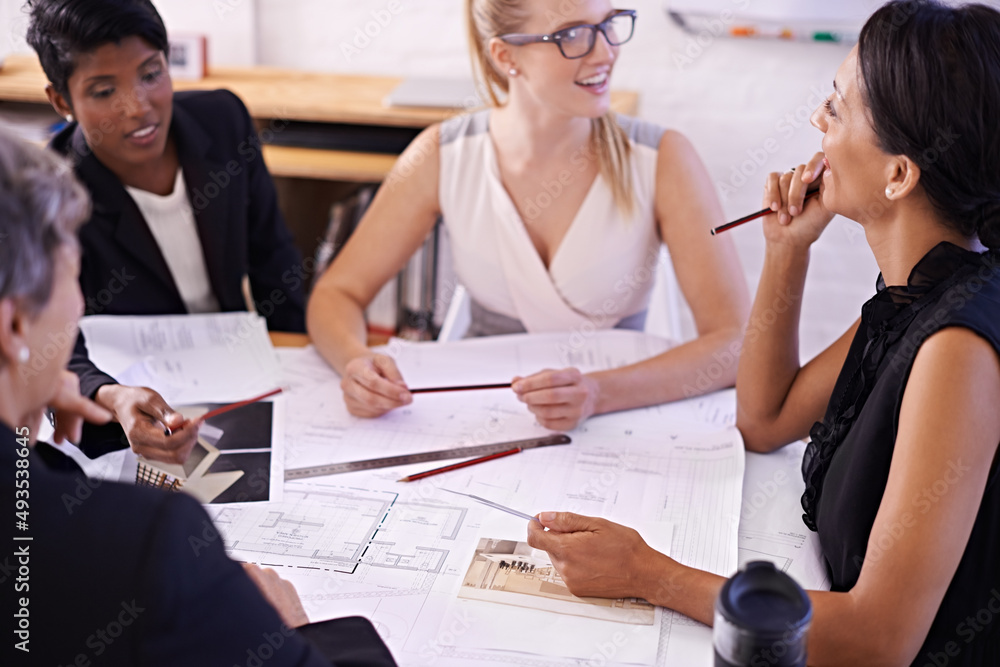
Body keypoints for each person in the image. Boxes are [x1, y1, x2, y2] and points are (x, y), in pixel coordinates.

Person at [526, 2, 1000, 664]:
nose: (817, 122)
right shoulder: (913, 297)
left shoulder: (957, 349)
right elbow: (765, 417)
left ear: (898, 174)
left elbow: (879, 638)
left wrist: (646, 573)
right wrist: (787, 250)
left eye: (836, 107)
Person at [0, 130, 396, 666]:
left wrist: (24, 412)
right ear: (17, 323)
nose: (79, 309)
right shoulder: (152, 547)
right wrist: (298, 635)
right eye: (74, 279)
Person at [307, 0, 750, 431]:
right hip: (477, 417)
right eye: (572, 34)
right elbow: (337, 293)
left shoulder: (664, 159)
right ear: (505, 56)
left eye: (609, 24)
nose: (606, 52)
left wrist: (598, 394)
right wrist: (356, 361)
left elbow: (735, 343)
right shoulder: (443, 155)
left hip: (620, 422)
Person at [25, 0, 306, 463]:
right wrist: (112, 397)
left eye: (151, 73)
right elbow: (53, 348)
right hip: (141, 413)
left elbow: (275, 261)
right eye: (103, 91)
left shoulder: (224, 121)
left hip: (245, 378)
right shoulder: (48, 195)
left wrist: (298, 371)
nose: (138, 107)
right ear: (61, 101)